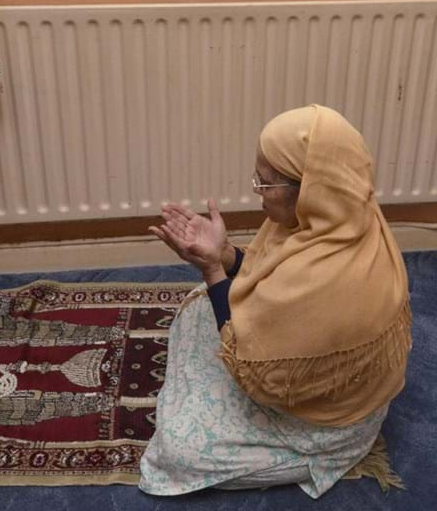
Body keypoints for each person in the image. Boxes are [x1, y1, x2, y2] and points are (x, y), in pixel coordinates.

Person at [139, 104, 412, 498]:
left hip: (328, 426)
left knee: (176, 452)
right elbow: (273, 273)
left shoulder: (327, 277)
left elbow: (258, 379)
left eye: (265, 183)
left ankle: (320, 457)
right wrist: (227, 255)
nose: (257, 192)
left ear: (309, 188)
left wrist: (214, 269)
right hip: (320, 375)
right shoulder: (341, 215)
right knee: (201, 306)